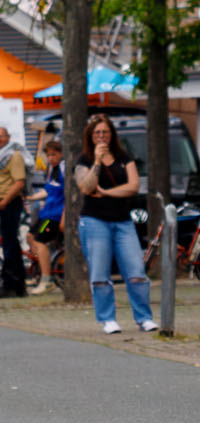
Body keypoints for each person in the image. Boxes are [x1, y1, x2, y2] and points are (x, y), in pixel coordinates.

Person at [75, 113, 157, 334]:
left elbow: (133, 186)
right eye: (97, 133)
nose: (102, 136)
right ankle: (108, 318)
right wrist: (98, 162)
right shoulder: (84, 160)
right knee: (100, 274)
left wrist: (107, 192)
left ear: (112, 135)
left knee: (136, 271)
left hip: (123, 221)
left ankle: (144, 317)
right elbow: (86, 187)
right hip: (94, 221)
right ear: (91, 137)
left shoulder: (124, 157)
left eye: (105, 132)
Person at [0, 125, 28, 297]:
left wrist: (3, 201)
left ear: (8, 137)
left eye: (1, 136)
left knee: (11, 245)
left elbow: (19, 182)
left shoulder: (14, 155)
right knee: (8, 244)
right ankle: (14, 284)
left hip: (9, 204)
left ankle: (13, 284)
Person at [28, 137, 64, 294]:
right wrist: (30, 198)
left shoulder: (63, 169)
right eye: (48, 155)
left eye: (54, 154)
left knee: (40, 240)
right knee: (29, 236)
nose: (50, 158)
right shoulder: (52, 171)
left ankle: (46, 278)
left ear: (61, 154)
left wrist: (64, 216)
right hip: (46, 213)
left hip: (54, 216)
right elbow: (47, 191)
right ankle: (42, 267)